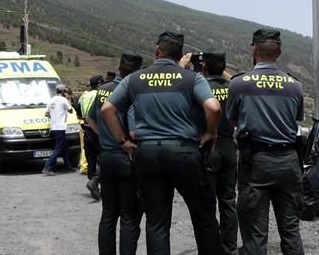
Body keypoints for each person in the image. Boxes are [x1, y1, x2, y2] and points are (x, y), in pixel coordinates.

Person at [102, 31, 222, 255]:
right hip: (185, 153)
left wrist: (122, 141)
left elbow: (107, 109)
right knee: (204, 217)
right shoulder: (192, 78)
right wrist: (210, 133)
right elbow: (214, 108)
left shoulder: (134, 79)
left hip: (147, 155)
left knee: (156, 223)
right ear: (180, 55)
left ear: (157, 51)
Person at [226, 28, 305, 255]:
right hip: (290, 163)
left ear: (255, 50)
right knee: (291, 231)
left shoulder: (239, 84)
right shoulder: (294, 85)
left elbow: (232, 120)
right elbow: (295, 118)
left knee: (255, 233)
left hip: (256, 164)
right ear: (279, 53)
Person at [85, 53, 144, 255]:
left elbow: (90, 118)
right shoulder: (130, 91)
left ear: (119, 68)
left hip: (107, 157)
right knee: (129, 216)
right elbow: (135, 131)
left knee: (108, 214)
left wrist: (105, 137)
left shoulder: (104, 90)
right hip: (127, 157)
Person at [202, 51, 238, 255]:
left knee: (207, 200)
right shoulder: (233, 87)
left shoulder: (201, 87)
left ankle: (210, 247)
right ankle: (229, 246)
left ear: (204, 66)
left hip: (208, 146)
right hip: (229, 147)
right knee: (228, 199)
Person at [42, 84, 75, 175]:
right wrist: (68, 99)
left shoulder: (51, 99)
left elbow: (46, 114)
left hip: (53, 128)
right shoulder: (64, 100)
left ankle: (68, 166)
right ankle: (47, 167)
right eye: (65, 92)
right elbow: (71, 111)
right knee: (58, 149)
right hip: (60, 128)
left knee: (64, 148)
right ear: (63, 92)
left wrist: (54, 117)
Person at [80, 74, 104, 198]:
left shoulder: (83, 96)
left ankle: (92, 181)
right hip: (96, 128)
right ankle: (96, 181)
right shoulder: (98, 95)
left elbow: (79, 111)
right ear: (99, 84)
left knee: (91, 159)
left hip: (86, 129)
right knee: (103, 157)